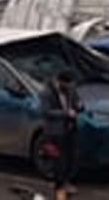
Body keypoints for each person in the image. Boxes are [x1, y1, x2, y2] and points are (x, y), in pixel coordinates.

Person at [40, 71, 84, 200]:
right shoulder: (46, 93)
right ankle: (59, 186)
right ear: (60, 81)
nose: (70, 87)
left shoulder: (71, 89)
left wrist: (80, 106)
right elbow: (46, 112)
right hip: (55, 131)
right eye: (68, 84)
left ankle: (68, 182)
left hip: (70, 128)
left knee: (72, 156)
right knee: (59, 159)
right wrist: (65, 113)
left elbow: (77, 101)